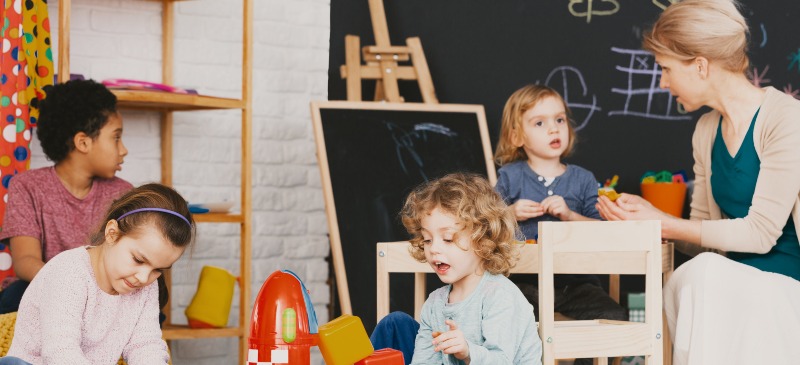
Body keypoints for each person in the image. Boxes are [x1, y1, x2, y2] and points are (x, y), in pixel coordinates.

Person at [595, 0, 800, 363]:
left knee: (702, 275)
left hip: (786, 293)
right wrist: (648, 219)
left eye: (666, 69)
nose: (662, 82)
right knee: (697, 274)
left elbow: (760, 233)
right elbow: (704, 241)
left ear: (701, 66)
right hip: (729, 288)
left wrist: (664, 222)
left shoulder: (786, 119)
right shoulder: (706, 131)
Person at [493, 84, 626, 365]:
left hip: (576, 284)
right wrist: (511, 213)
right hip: (524, 283)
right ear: (517, 136)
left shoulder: (582, 179)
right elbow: (485, 226)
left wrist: (569, 216)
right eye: (540, 123)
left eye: (560, 120)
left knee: (616, 319)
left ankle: (576, 353)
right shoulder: (510, 177)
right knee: (507, 317)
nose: (554, 129)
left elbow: (605, 231)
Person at [0, 183, 195, 365]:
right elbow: (60, 351)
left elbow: (145, 344)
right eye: (138, 260)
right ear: (112, 233)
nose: (144, 278)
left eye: (158, 270)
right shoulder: (69, 271)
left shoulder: (145, 286)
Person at [372, 173, 542, 365]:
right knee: (393, 323)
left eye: (448, 239)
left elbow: (501, 360)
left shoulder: (501, 296)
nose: (434, 248)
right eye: (427, 240)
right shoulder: (435, 303)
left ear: (483, 241)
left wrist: (468, 352)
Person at [0, 79, 133, 314]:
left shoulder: (122, 193)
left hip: (103, 293)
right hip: (46, 287)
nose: (123, 149)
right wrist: (70, 288)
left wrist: (94, 292)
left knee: (147, 304)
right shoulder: (27, 186)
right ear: (83, 142)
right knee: (13, 297)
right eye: (116, 138)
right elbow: (25, 261)